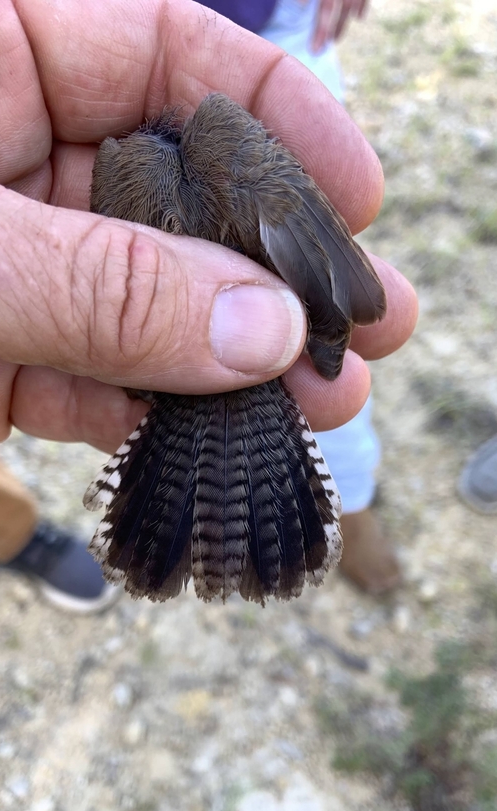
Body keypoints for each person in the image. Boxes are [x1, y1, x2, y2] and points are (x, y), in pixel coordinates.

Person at [0, 0, 418, 686]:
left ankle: (352, 506)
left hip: (201, 378)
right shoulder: (221, 131)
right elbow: (331, 292)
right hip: (249, 357)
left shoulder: (121, 160)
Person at [207, 0, 400, 596]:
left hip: (279, 23)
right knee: (268, 334)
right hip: (102, 34)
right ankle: (337, 500)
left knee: (327, 313)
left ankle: (349, 494)